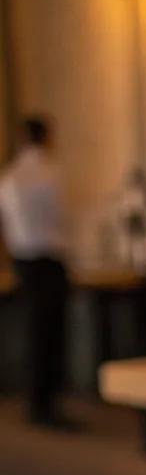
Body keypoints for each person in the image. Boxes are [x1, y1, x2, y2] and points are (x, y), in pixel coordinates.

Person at [0, 116, 70, 428]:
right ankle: (47, 404)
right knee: (50, 335)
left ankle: (36, 403)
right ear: (47, 137)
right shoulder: (50, 173)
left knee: (34, 332)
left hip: (23, 261)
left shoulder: (10, 176)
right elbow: (62, 217)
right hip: (48, 259)